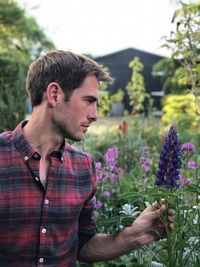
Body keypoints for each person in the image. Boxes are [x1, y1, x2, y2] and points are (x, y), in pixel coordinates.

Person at [0, 50, 174, 266]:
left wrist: (133, 235)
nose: (95, 114)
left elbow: (84, 245)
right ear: (54, 94)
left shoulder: (83, 167)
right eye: (89, 100)